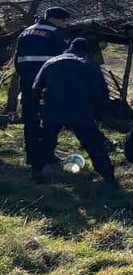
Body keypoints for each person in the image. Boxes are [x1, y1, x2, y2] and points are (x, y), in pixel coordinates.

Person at [31, 37, 118, 188]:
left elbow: (36, 87)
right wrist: (100, 114)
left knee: (46, 142)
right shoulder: (89, 64)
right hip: (80, 111)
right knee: (94, 145)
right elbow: (101, 93)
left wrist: (39, 107)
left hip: (52, 109)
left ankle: (38, 172)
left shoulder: (51, 62)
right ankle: (109, 179)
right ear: (86, 51)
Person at [10, 7, 71, 176]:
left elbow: (17, 59)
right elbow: (62, 60)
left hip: (28, 82)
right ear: (55, 19)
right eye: (63, 20)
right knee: (50, 120)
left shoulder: (26, 32)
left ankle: (32, 156)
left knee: (30, 120)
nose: (65, 24)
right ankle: (46, 156)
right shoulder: (55, 33)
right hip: (47, 84)